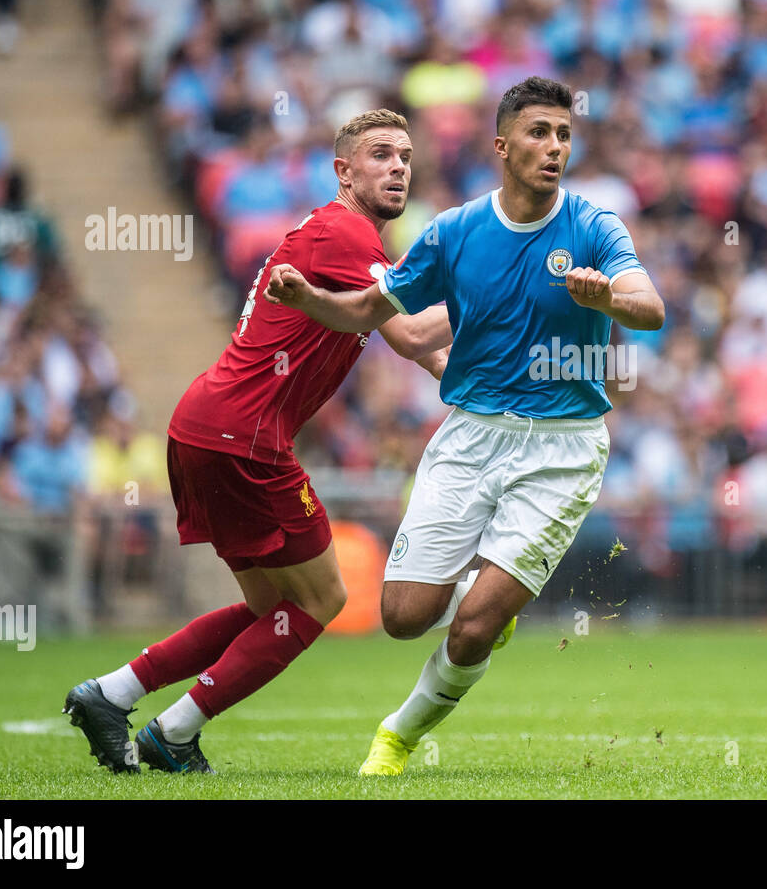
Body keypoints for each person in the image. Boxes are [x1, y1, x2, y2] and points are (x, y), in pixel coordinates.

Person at [264, 76, 665, 775]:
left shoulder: (597, 227)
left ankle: (397, 735)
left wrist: (612, 299)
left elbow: (651, 307)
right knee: (402, 616)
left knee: (475, 623)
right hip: (471, 436)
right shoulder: (453, 231)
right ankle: (483, 602)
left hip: (564, 448)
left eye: (565, 135)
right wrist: (309, 296)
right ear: (503, 146)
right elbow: (369, 312)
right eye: (540, 133)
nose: (555, 147)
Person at [63, 109, 452, 773]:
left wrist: (475, 385)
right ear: (344, 170)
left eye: (406, 157)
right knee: (323, 599)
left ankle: (111, 693)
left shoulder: (341, 241)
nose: (397, 167)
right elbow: (414, 335)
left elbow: (416, 350)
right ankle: (175, 730)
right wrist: (511, 297)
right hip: (243, 437)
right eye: (381, 154)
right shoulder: (345, 232)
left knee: (269, 608)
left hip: (206, 426)